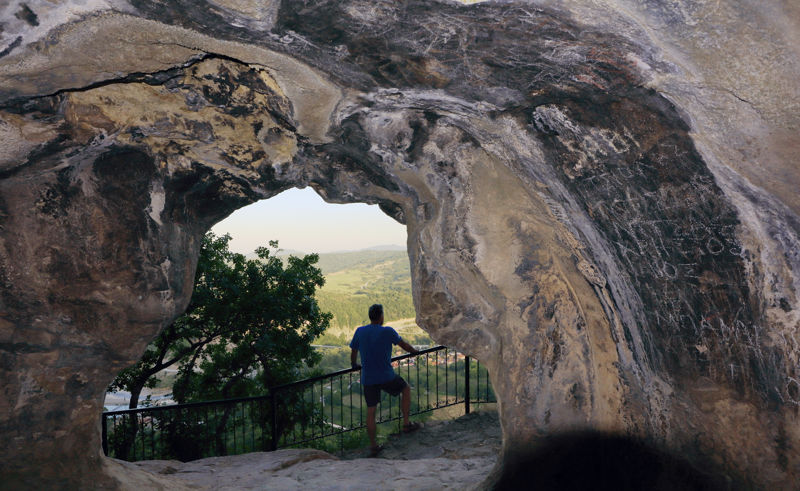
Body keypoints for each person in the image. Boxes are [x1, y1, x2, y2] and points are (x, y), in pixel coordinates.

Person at [350, 303, 421, 456]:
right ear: (381, 316)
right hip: (386, 376)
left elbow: (354, 350)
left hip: (368, 377)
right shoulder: (388, 331)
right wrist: (414, 351)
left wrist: (354, 364)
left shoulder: (360, 331)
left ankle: (374, 446)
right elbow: (404, 345)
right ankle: (407, 424)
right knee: (406, 389)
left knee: (371, 412)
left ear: (370, 317)